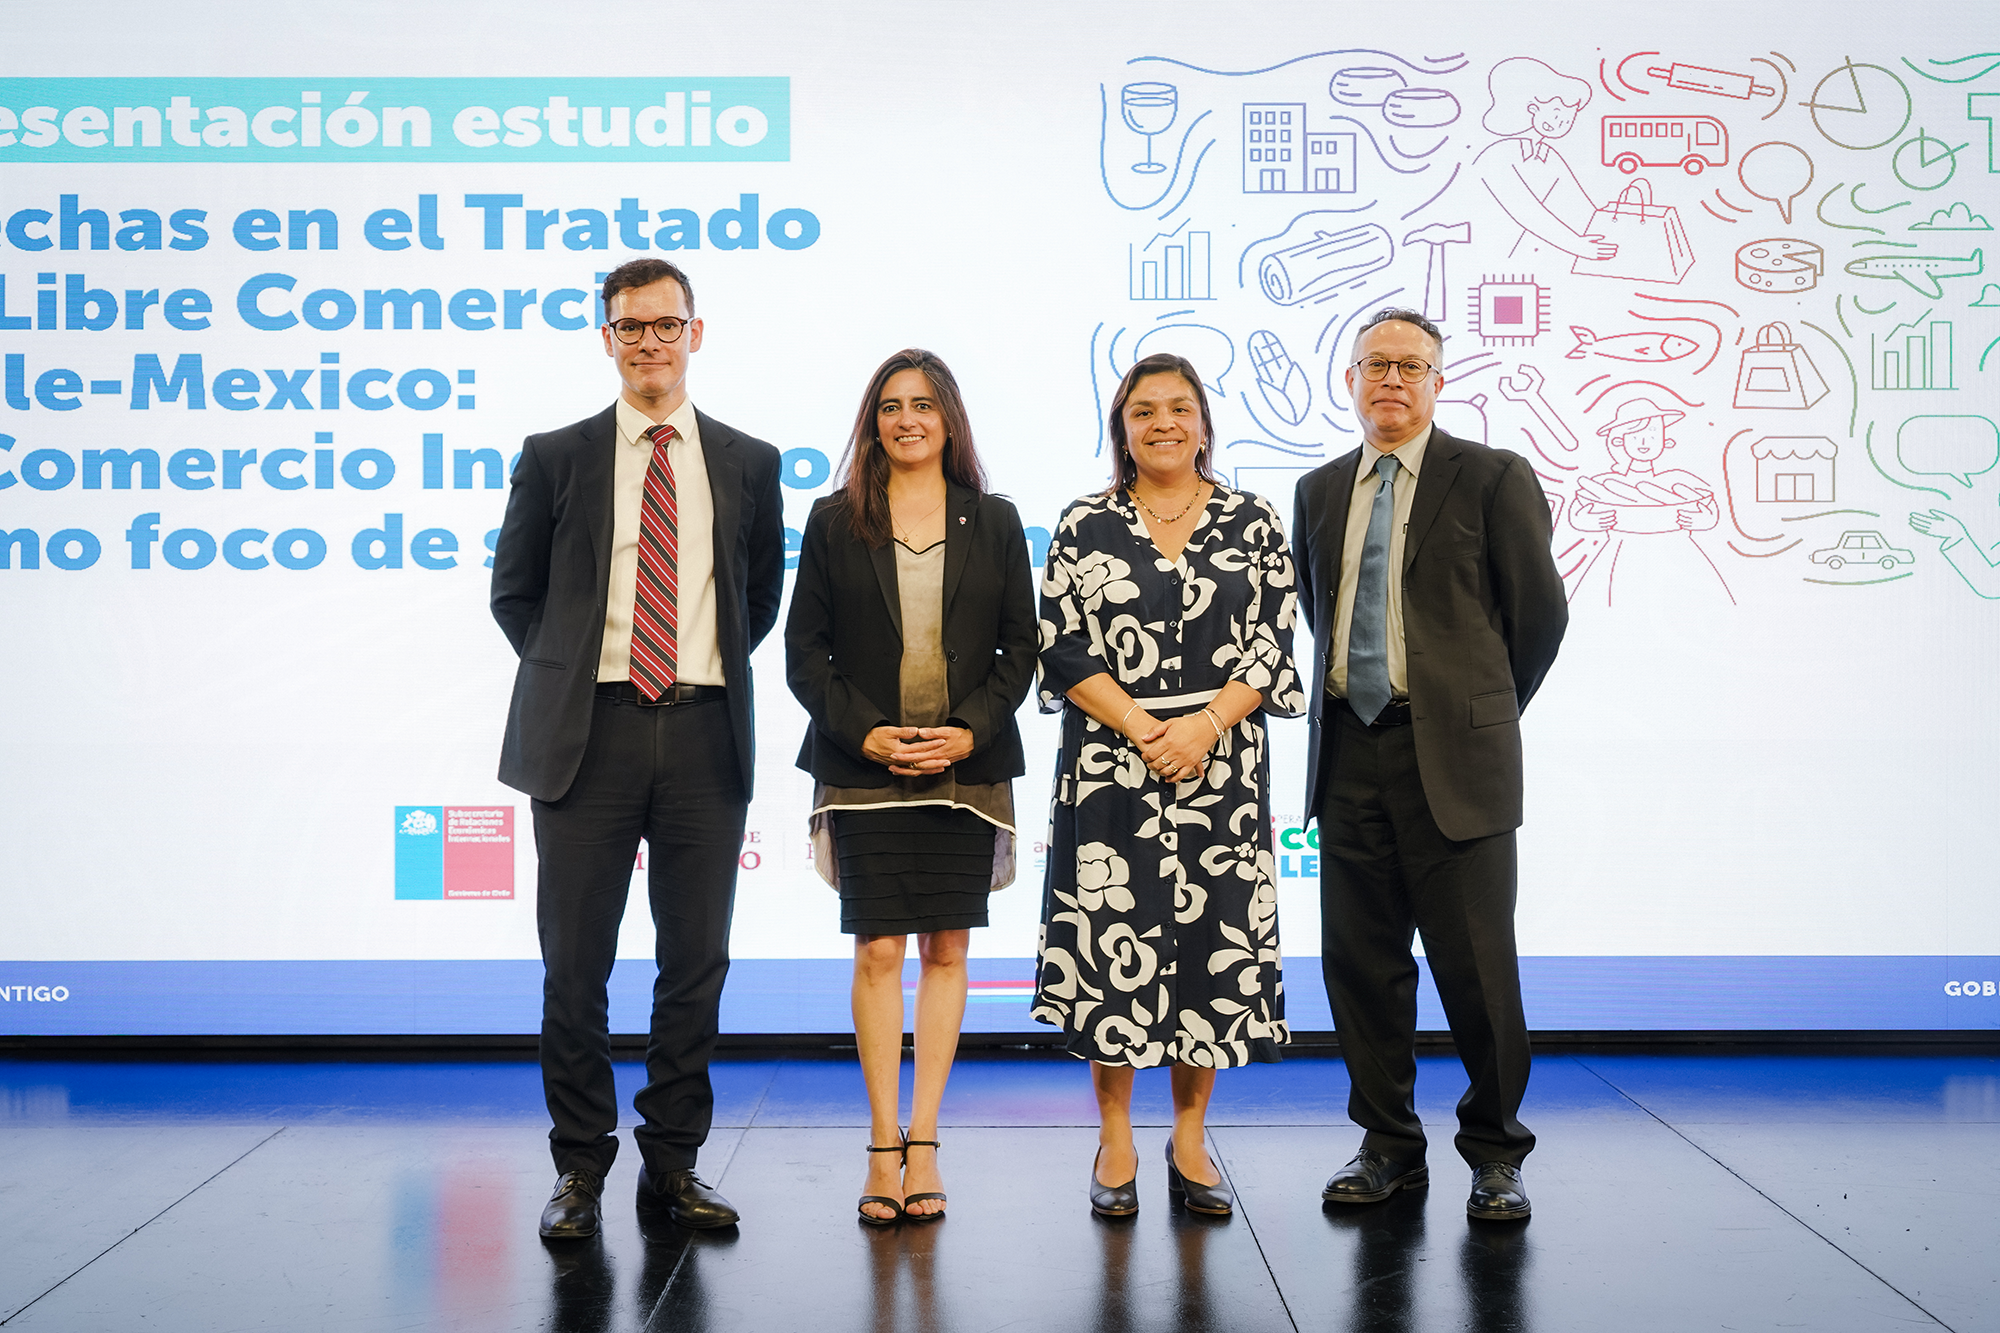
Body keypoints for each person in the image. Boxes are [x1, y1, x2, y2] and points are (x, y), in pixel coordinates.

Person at [491, 257, 784, 1240]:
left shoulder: (748, 461)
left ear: (695, 333)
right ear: (606, 338)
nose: (648, 341)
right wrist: (580, 675)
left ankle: (673, 1163)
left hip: (705, 731)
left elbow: (755, 600)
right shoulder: (555, 455)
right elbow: (515, 595)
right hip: (587, 736)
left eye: (665, 324)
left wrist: (688, 669)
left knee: (694, 961)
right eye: (630, 326)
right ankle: (579, 1167)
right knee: (575, 966)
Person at [1293, 308, 1567, 1222]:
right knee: (1361, 965)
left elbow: (1538, 618)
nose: (1392, 380)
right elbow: (1320, 610)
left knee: (1478, 970)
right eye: (1375, 364)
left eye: (1411, 366)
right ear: (1350, 381)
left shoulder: (1491, 476)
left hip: (1456, 757)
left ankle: (1496, 1153)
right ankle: (1387, 1146)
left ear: (1438, 383)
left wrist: (1473, 713)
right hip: (1349, 750)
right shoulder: (1318, 491)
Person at [1034, 352, 1304, 1218]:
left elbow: (1272, 642)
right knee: (1114, 942)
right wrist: (1145, 727)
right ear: (1121, 427)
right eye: (1143, 410)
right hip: (1111, 763)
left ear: (1203, 423)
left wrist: (1204, 726)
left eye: (1179, 407)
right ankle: (1115, 1134)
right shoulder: (1084, 522)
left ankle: (1190, 1135)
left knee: (1210, 945)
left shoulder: (1253, 519)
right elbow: (1060, 646)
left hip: (1221, 764)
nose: (1162, 423)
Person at [785, 349, 1037, 1225]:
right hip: (863, 767)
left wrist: (969, 730)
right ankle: (881, 1143)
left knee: (947, 952)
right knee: (878, 954)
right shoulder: (833, 520)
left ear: (948, 418)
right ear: (873, 422)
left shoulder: (994, 519)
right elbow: (804, 653)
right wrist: (865, 731)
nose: (907, 419)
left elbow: (1021, 648)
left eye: (923, 404)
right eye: (891, 406)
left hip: (964, 770)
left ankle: (924, 1139)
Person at [1472, 56, 1617, 263]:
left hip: (1530, 253)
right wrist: (1576, 245)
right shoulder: (1497, 156)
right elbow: (1525, 211)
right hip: (1490, 255)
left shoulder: (1547, 155)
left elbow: (1579, 202)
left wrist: (1613, 220)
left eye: (1569, 117)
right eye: (1557, 115)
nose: (1563, 123)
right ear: (1532, 109)